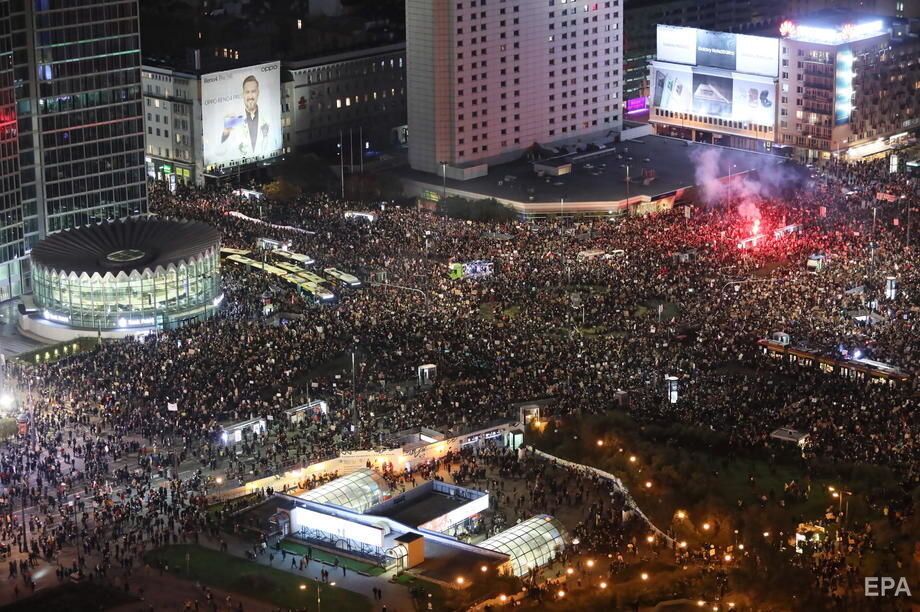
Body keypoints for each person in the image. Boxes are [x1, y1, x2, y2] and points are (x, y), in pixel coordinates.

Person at [218, 75, 276, 160]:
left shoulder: (268, 116)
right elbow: (221, 151)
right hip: (241, 168)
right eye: (247, 92)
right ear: (243, 94)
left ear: (258, 93)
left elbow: (274, 142)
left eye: (253, 91)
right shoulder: (234, 119)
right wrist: (225, 133)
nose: (250, 96)